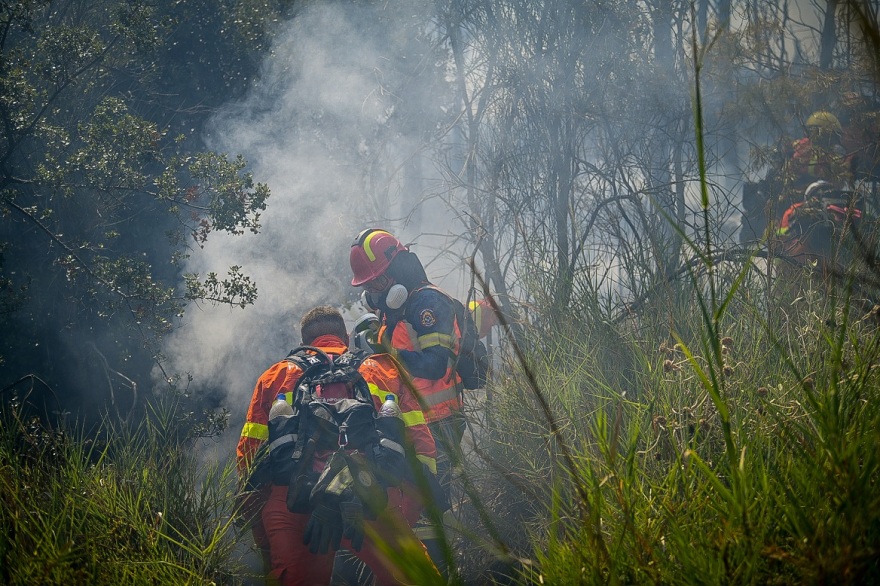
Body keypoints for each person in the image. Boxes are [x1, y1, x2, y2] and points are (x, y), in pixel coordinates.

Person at [236, 305, 439, 586]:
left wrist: (265, 537)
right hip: (369, 495)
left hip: (294, 503)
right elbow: (422, 447)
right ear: (345, 336)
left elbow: (249, 462)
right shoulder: (381, 370)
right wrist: (401, 512)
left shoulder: (275, 377)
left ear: (304, 342)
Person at [348, 228, 470, 575]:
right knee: (411, 509)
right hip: (416, 425)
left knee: (427, 511)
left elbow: (435, 364)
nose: (374, 291)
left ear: (398, 267)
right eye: (368, 286)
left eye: (377, 281)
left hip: (440, 423)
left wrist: (386, 351)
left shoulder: (427, 303)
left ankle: (438, 575)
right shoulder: (394, 309)